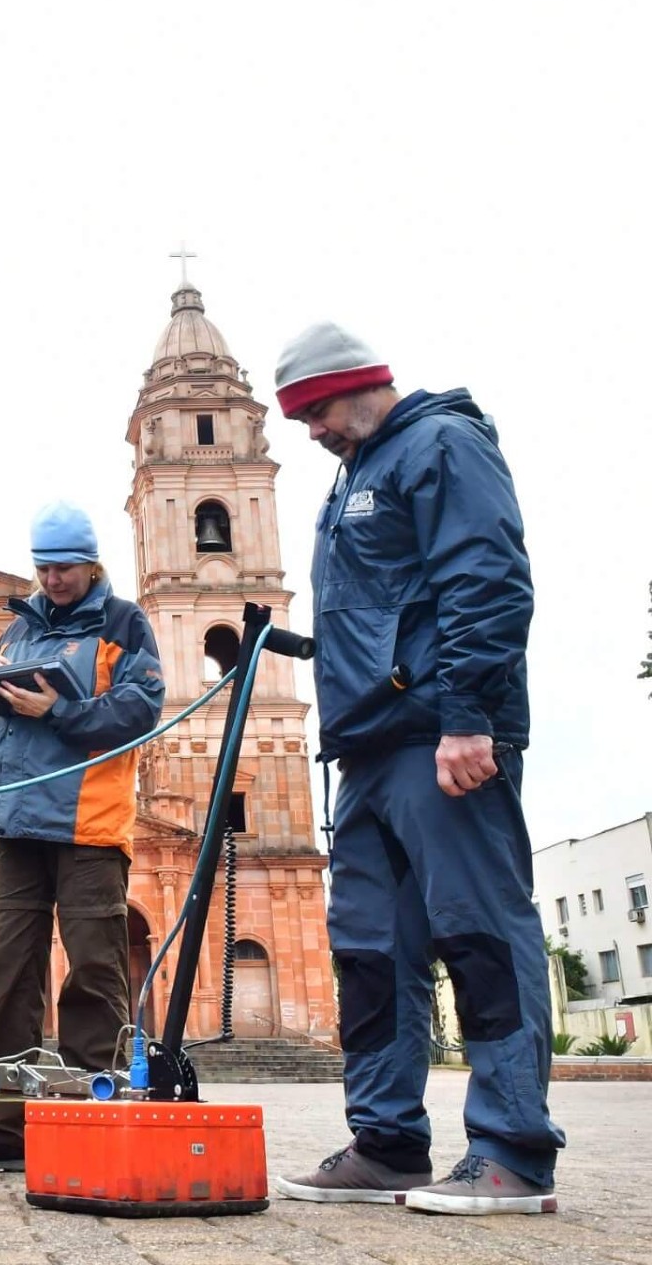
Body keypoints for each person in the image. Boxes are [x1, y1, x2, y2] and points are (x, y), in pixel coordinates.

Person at [268, 323, 561, 1215]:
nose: (311, 430)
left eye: (315, 410)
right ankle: (388, 1144)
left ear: (360, 384)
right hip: (366, 750)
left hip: (441, 738)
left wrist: (468, 715)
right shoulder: (353, 475)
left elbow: (487, 578)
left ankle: (513, 1153)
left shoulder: (439, 444)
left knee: (477, 936)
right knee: (370, 951)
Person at [0, 502, 164, 1173]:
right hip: (16, 825)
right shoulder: (18, 630)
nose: (53, 579)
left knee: (94, 971)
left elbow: (141, 708)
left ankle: (98, 1119)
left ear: (91, 563)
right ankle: (5, 1127)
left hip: (89, 826)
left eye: (64, 568)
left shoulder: (126, 624)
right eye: (44, 567)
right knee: (7, 977)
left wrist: (59, 709)